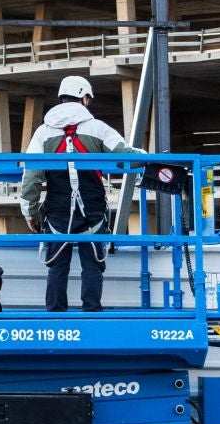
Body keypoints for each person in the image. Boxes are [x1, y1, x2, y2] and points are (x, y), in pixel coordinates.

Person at [19, 75, 139, 313]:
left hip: (58, 209)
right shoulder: (98, 128)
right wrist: (151, 159)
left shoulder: (43, 133)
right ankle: (92, 313)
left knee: (57, 266)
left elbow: (31, 177)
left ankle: (55, 315)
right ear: (84, 97)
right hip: (92, 208)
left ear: (62, 98)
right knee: (93, 263)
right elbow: (127, 155)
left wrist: (29, 213)